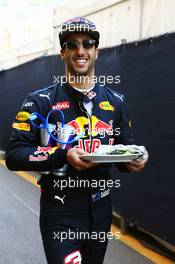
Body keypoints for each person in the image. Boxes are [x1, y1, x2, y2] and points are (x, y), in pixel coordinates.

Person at [6, 17, 148, 264]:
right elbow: (14, 155)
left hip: (101, 210)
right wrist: (62, 155)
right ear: (63, 53)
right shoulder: (39, 100)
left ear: (97, 51)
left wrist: (135, 160)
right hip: (60, 210)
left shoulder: (116, 102)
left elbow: (123, 152)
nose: (80, 50)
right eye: (72, 44)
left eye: (87, 43)